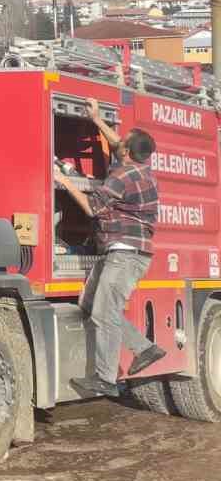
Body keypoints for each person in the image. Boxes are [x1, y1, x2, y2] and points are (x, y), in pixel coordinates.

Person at [54, 98, 165, 398]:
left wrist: (63, 180)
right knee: (91, 304)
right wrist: (96, 119)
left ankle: (105, 379)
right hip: (123, 252)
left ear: (126, 152)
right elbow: (119, 144)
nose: (118, 143)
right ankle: (145, 348)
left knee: (104, 314)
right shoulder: (142, 169)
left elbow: (92, 208)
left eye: (122, 143)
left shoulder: (121, 177)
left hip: (124, 254)